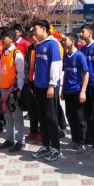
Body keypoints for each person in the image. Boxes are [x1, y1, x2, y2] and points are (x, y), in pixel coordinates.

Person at [31, 19, 63, 162]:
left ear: (43, 29)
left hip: (50, 87)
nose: (34, 32)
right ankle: (46, 145)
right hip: (39, 86)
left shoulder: (53, 44)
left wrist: (51, 85)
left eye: (35, 29)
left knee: (51, 118)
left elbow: (56, 65)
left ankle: (56, 148)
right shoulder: (39, 45)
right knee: (42, 117)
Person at [0, 28, 27, 152]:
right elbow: (1, 72)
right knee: (8, 116)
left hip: (13, 90)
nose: (2, 40)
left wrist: (19, 89)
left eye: (4, 38)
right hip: (4, 89)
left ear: (11, 38)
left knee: (17, 116)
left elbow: (20, 74)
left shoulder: (17, 53)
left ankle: (21, 141)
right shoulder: (3, 53)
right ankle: (9, 139)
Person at [61, 32, 89, 154]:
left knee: (80, 118)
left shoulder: (80, 56)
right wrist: (62, 90)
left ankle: (83, 142)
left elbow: (86, 73)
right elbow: (65, 73)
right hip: (68, 91)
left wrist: (83, 91)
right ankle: (75, 139)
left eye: (65, 40)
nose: (63, 42)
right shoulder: (66, 55)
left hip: (77, 91)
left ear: (72, 42)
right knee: (70, 116)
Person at [79, 24, 94, 148]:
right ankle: (89, 135)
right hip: (84, 84)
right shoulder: (82, 49)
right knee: (86, 111)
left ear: (90, 32)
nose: (81, 34)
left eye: (83, 31)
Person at [23, 29, 41, 143]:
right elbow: (26, 64)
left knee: (40, 110)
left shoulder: (41, 47)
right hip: (30, 82)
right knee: (31, 109)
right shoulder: (29, 48)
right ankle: (33, 131)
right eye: (28, 35)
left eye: (31, 35)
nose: (29, 37)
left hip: (39, 83)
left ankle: (41, 132)